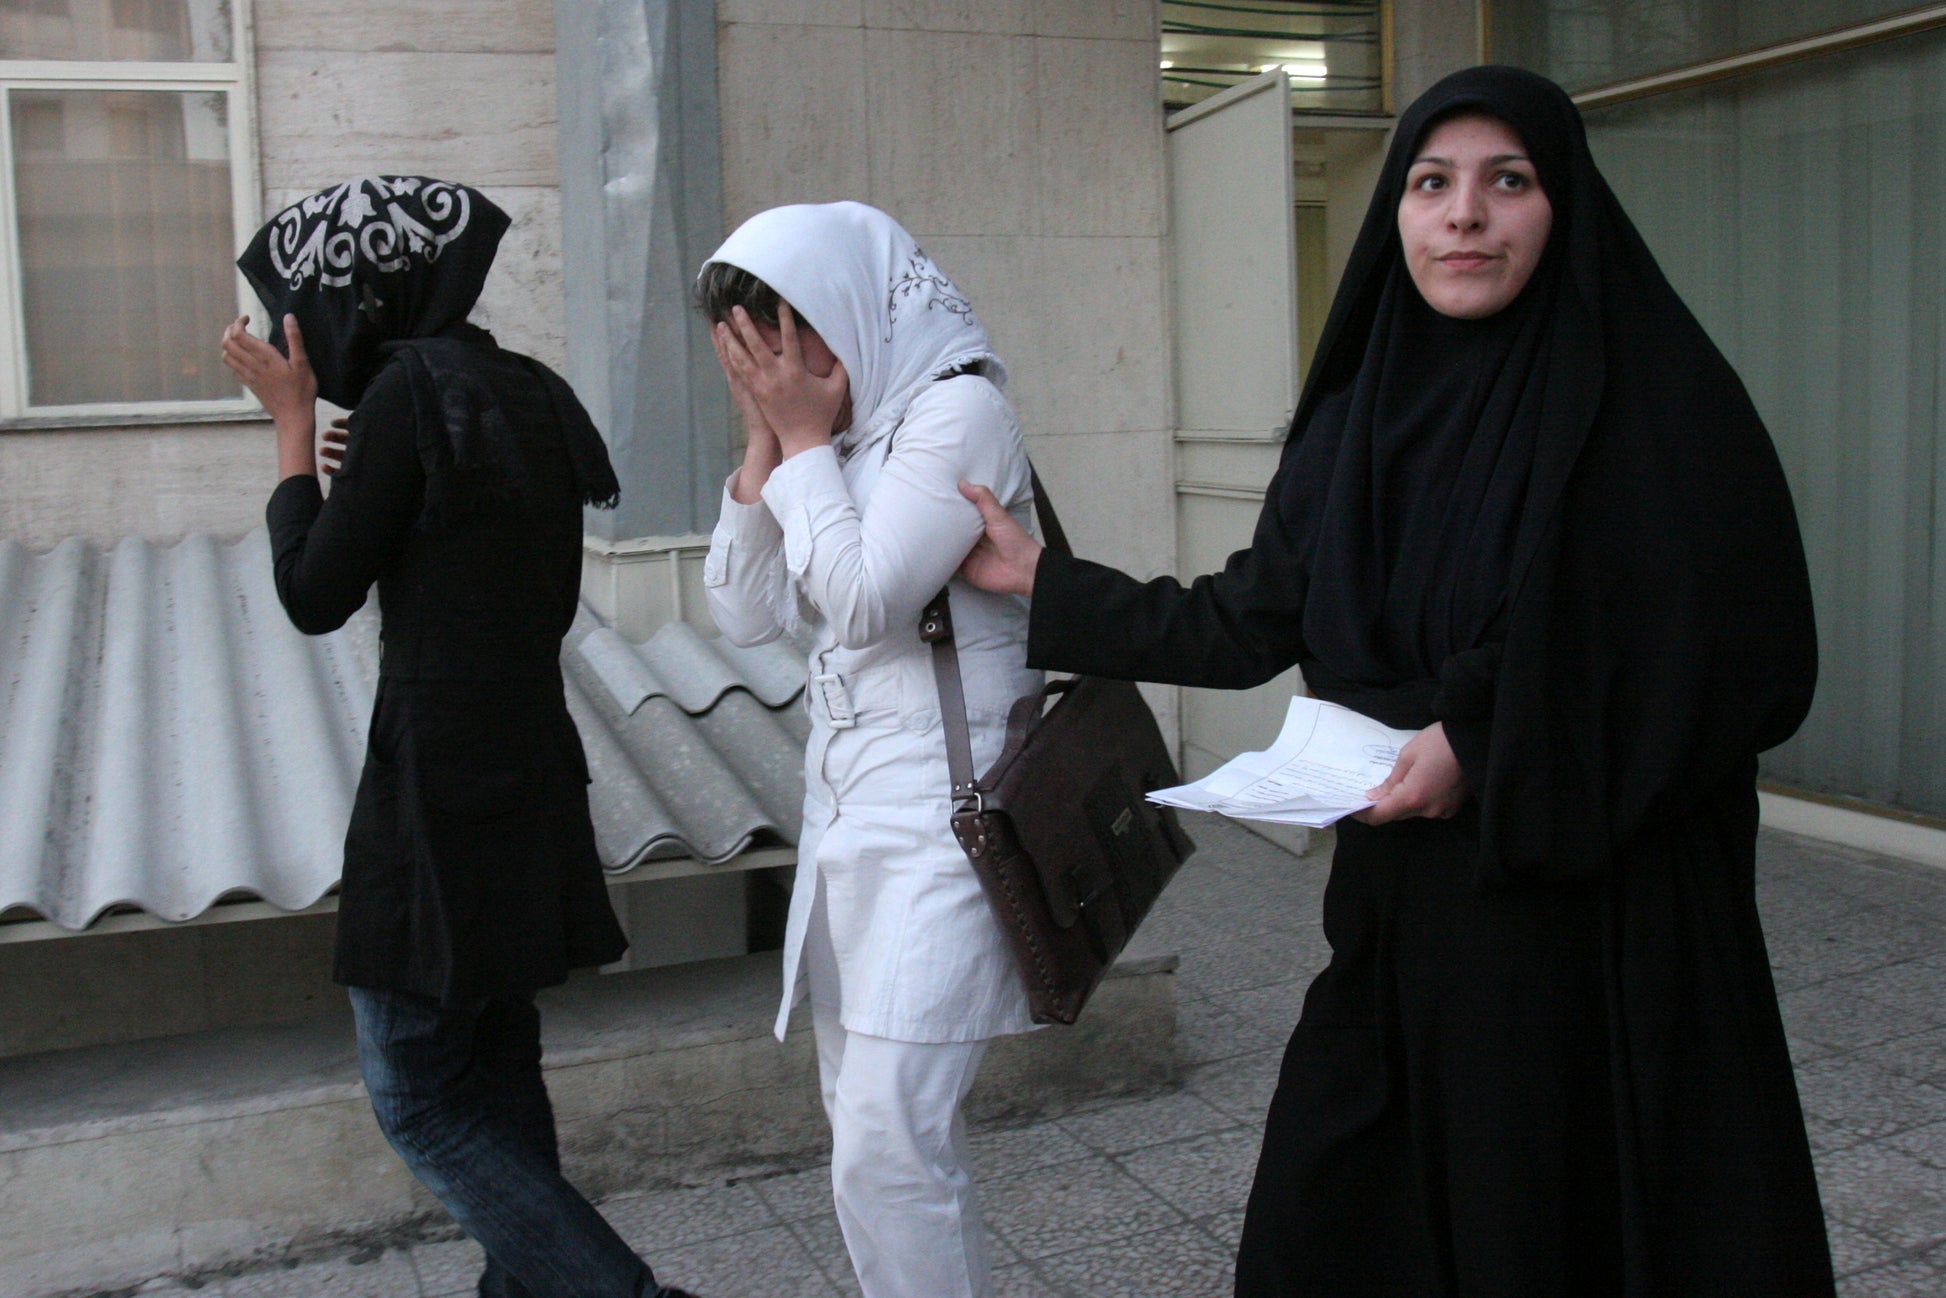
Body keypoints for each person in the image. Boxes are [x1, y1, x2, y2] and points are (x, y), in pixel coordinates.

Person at [959, 67, 1832, 1297]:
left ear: (1560, 204)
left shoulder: (1654, 399)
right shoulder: (1357, 417)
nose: (1463, 213)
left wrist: (1479, 735)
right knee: (1335, 1215)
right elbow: (1249, 615)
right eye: (1430, 183)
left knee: (1549, 1222)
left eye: (1505, 181)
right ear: (1397, 213)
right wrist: (1047, 582)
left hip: (1590, 931)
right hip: (1402, 914)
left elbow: (1727, 644)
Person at [220, 175, 695, 1298]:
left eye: (300, 307)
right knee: (496, 1059)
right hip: (527, 763)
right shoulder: (520, 387)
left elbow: (312, 593)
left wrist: (292, 428)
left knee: (422, 1097)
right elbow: (486, 558)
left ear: (353, 297)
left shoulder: (405, 396)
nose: (296, 331)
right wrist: (372, 478)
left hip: (436, 783)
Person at [697, 201, 1039, 1298]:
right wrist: (769, 441)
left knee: (889, 1141)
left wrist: (802, 443)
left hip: (951, 811)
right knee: (867, 1128)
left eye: (786, 341)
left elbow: (860, 602)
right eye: (756, 355)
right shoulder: (838, 434)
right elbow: (744, 612)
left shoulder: (958, 410)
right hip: (850, 811)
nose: (779, 371)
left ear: (845, 314)